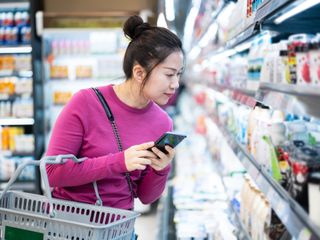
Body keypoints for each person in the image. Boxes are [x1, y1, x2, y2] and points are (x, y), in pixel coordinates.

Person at [46, 15, 184, 215]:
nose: (176, 84)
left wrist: (160, 169)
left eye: (179, 74)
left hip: (119, 229)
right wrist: (120, 162)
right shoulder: (85, 103)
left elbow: (145, 197)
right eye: (169, 74)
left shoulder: (163, 122)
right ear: (139, 73)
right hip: (70, 227)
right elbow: (53, 173)